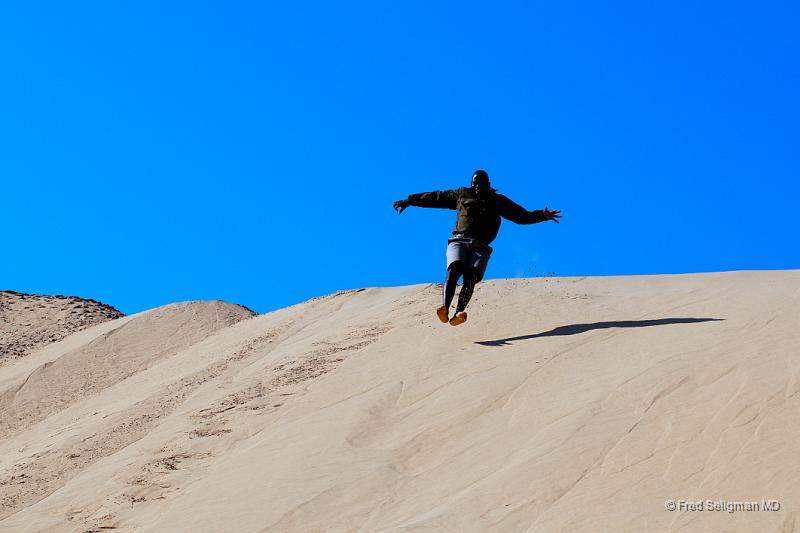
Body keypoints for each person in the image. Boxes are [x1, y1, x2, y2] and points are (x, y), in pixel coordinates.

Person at [393, 169, 561, 326]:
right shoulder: (461, 194)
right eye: (475, 183)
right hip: (459, 239)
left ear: (489, 184)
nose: (477, 185)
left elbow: (521, 216)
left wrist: (542, 215)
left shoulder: (497, 200)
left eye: (481, 182)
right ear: (471, 184)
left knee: (471, 277)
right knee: (454, 269)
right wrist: (410, 200)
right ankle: (444, 308)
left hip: (481, 246)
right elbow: (435, 197)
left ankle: (459, 313)